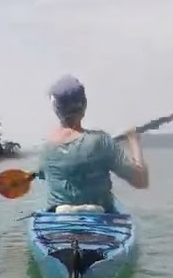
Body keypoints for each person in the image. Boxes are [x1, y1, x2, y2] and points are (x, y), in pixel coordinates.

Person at [29, 74, 149, 213]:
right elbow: (141, 181)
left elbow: (44, 174)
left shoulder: (45, 147)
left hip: (60, 220)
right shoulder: (100, 141)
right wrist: (133, 140)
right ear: (84, 104)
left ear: (56, 108)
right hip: (100, 219)